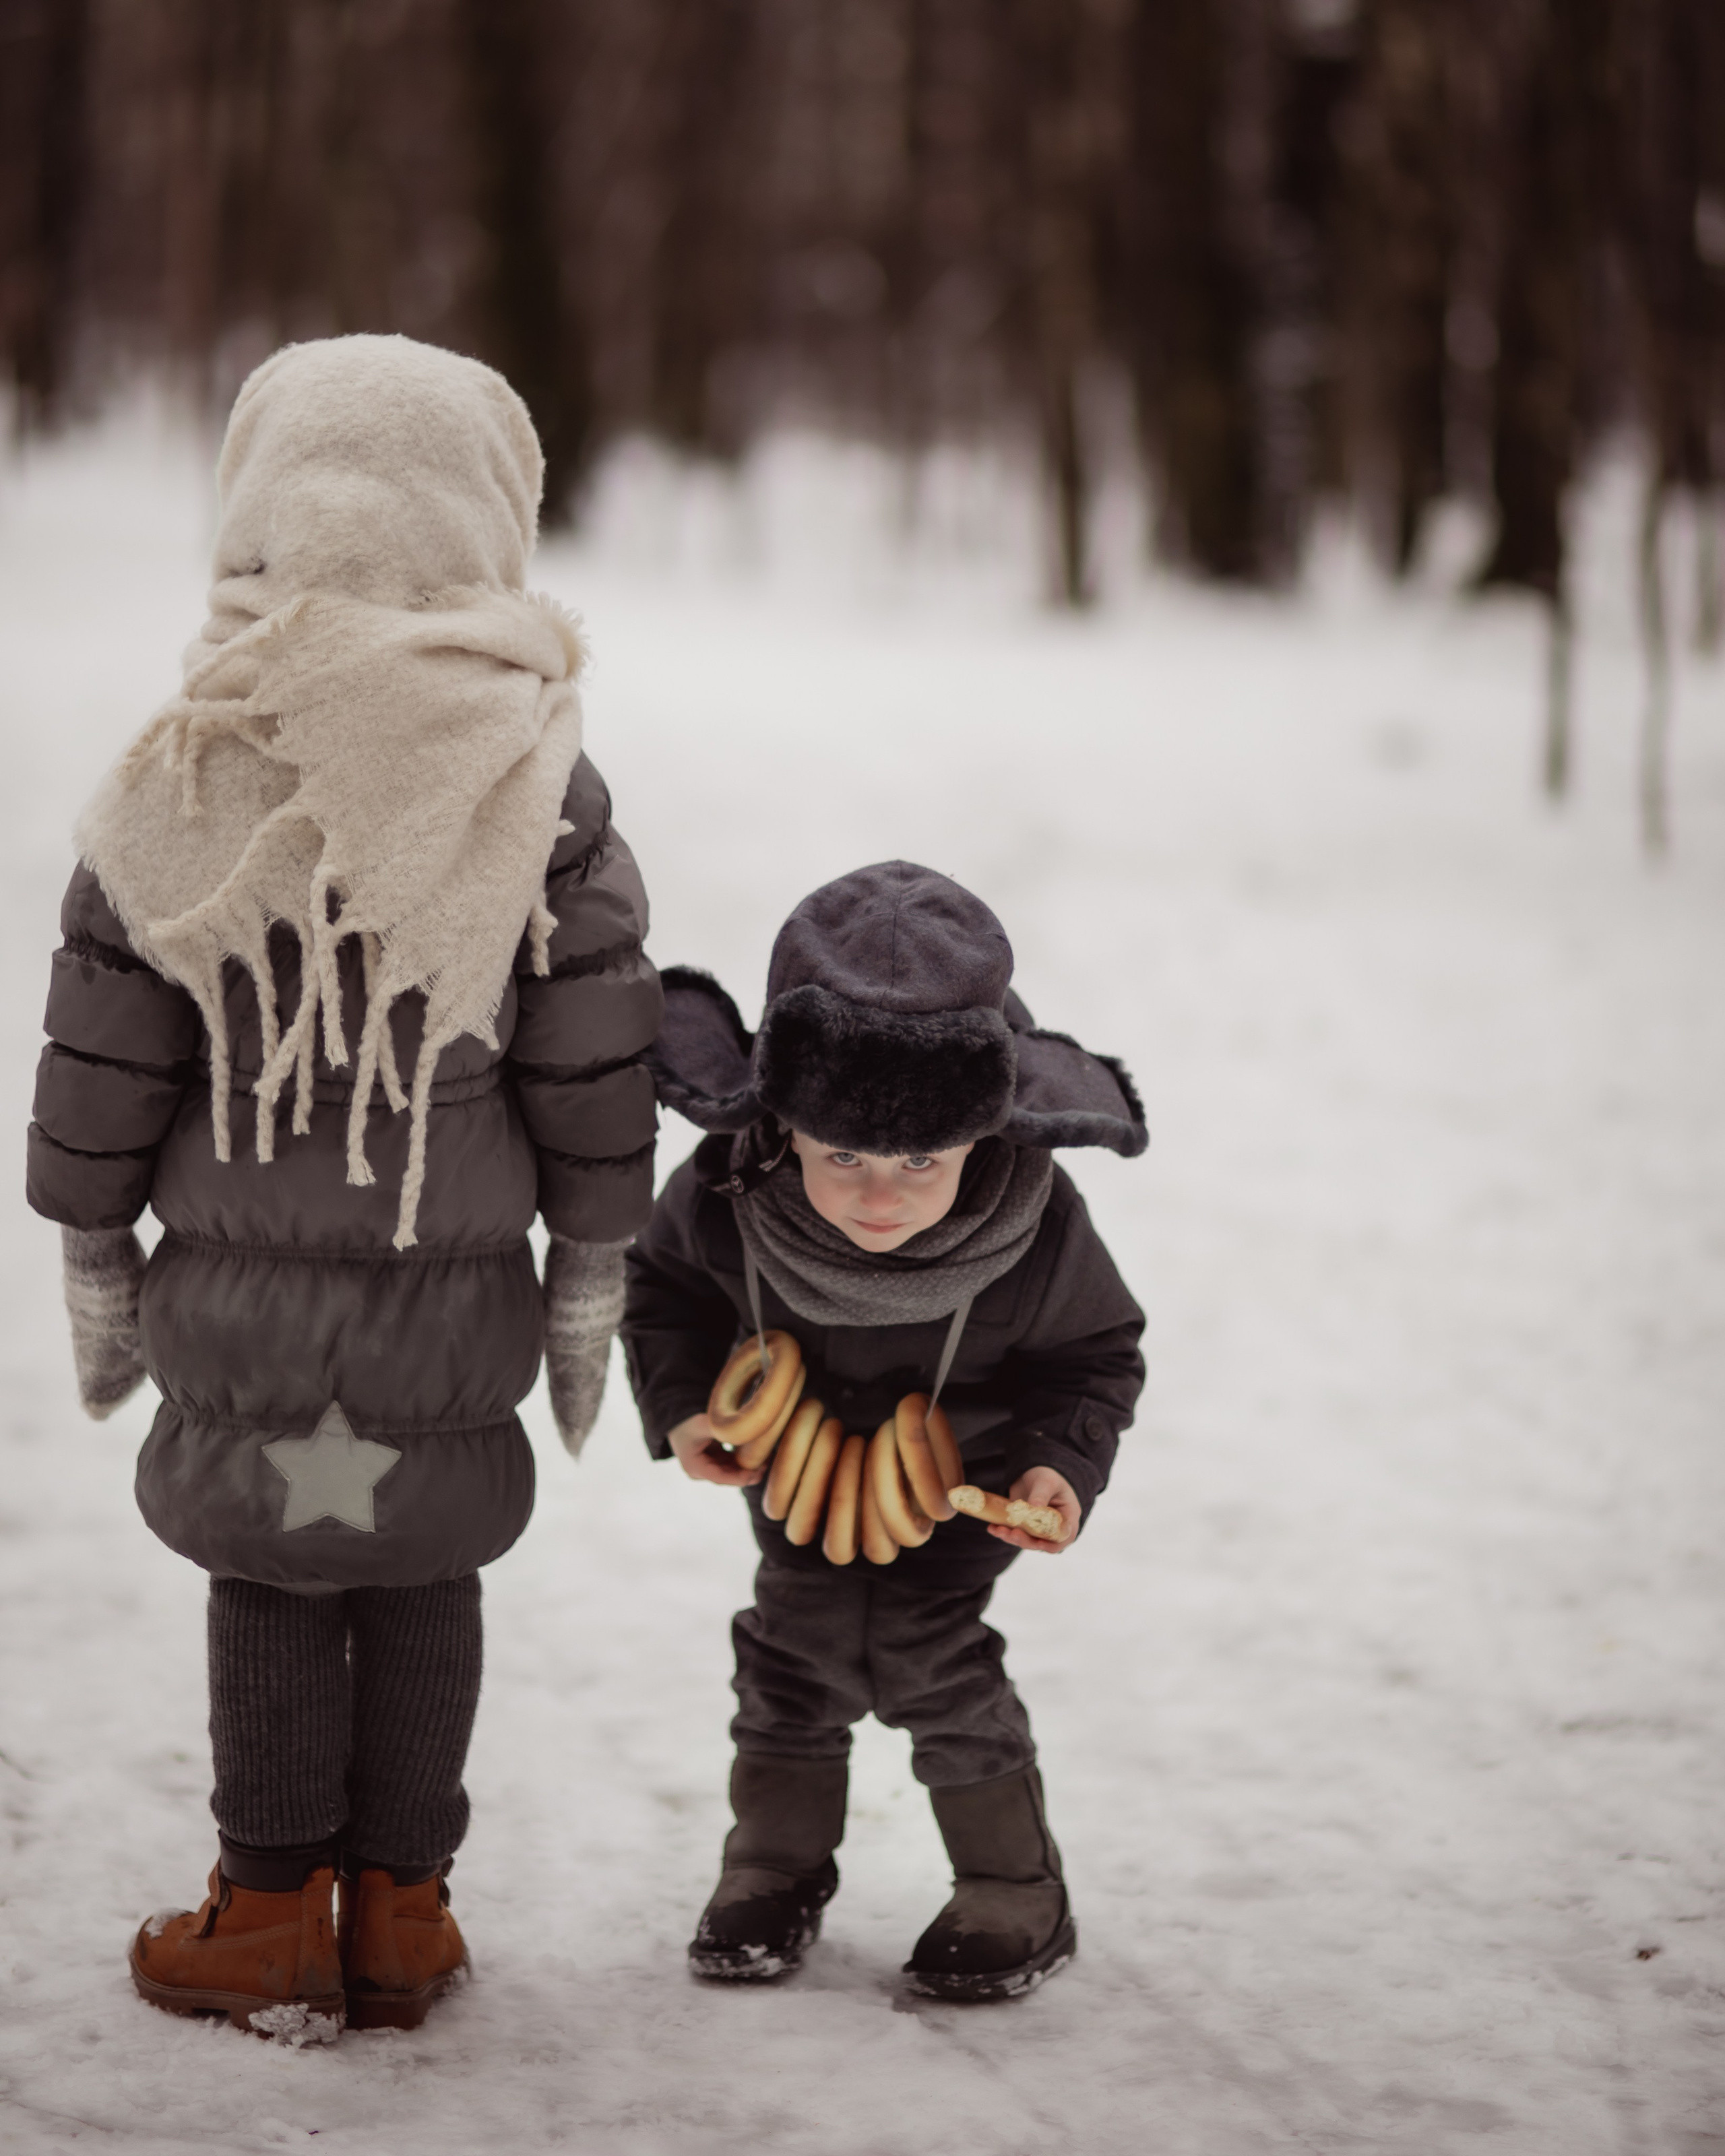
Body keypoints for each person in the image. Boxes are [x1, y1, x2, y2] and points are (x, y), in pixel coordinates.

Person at [26, 335, 660, 2043]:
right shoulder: (539, 781)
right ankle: (401, 1910)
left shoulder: (187, 762)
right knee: (423, 1574)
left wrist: (93, 1246)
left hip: (235, 1299)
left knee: (272, 1583)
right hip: (450, 1299)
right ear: (483, 524)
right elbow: (594, 1058)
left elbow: (107, 1037)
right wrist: (593, 1262)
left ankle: (261, 1913)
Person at [622, 860, 1145, 2000]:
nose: (878, 1196)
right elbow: (660, 1292)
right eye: (840, 1155)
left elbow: (1093, 1355)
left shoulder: (1039, 1226)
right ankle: (770, 1864)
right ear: (780, 1124)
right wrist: (681, 1408)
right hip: (795, 1474)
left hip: (962, 1486)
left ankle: (1015, 1890)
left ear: (985, 1131)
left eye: (922, 1161)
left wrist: (1062, 1465)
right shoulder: (725, 1196)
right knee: (790, 1659)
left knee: (931, 1659)